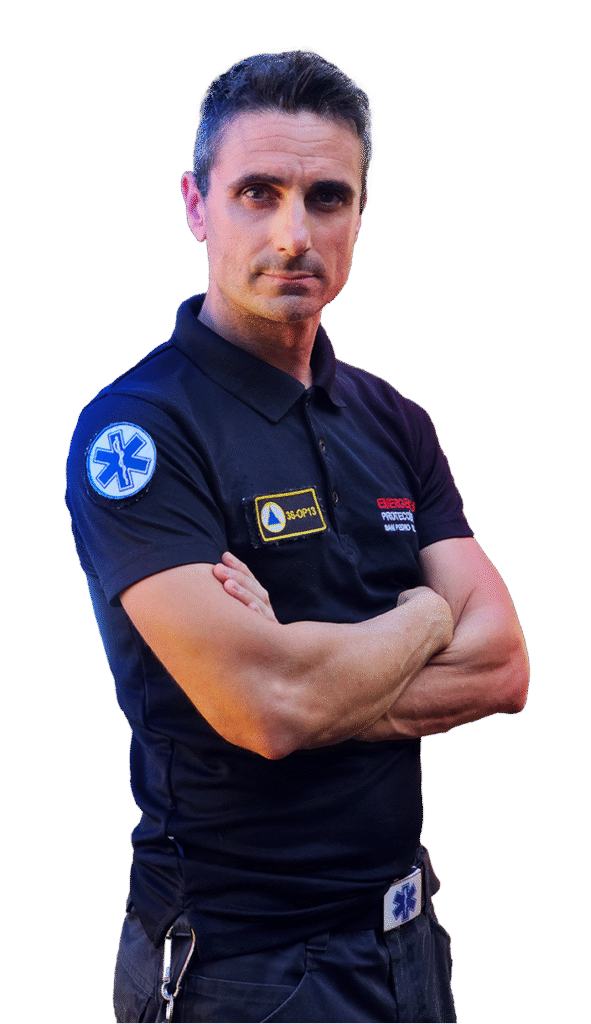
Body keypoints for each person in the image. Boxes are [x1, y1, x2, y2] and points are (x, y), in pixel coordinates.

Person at [65, 50, 529, 1024]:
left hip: (408, 946)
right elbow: (268, 707)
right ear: (196, 205)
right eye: (257, 192)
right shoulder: (138, 433)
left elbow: (502, 667)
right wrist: (425, 616)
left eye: (327, 198)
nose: (294, 233)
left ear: (360, 215)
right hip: (246, 973)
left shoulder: (393, 420)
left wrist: (312, 683)